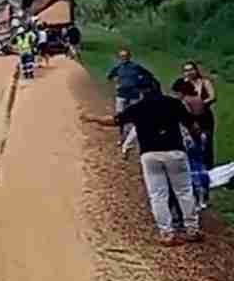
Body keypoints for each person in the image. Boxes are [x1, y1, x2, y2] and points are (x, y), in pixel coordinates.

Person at [82, 81, 203, 246]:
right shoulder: (173, 103)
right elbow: (193, 125)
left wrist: (92, 118)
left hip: (150, 153)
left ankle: (167, 233)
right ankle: (192, 230)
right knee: (184, 191)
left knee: (158, 195)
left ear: (141, 92)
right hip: (175, 151)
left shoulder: (138, 107)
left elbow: (114, 120)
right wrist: (197, 138)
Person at [174, 62, 217, 168]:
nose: (189, 72)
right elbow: (178, 99)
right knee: (192, 141)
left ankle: (208, 165)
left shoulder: (204, 82)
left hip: (204, 115)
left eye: (191, 69)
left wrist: (200, 102)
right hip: (188, 117)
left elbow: (212, 96)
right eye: (186, 70)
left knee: (207, 141)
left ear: (196, 70)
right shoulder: (181, 83)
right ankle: (196, 165)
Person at [107, 49, 154, 141]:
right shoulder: (118, 67)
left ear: (129, 56)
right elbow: (109, 77)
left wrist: (141, 84)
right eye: (121, 56)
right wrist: (115, 81)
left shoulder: (136, 67)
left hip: (134, 95)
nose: (123, 58)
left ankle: (129, 137)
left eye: (125, 56)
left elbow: (149, 75)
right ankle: (122, 136)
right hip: (121, 94)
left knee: (133, 116)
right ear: (119, 57)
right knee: (120, 115)